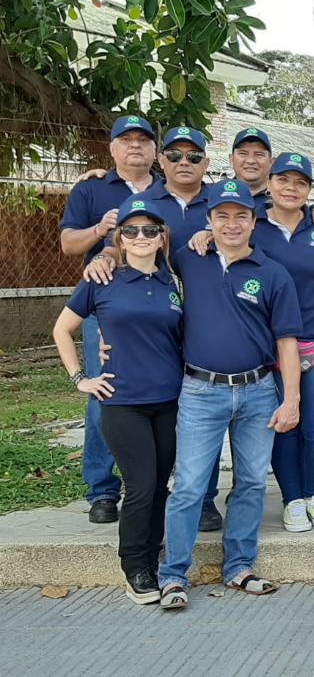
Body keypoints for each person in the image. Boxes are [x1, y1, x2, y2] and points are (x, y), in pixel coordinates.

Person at [155, 179, 302, 610]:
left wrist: (291, 400)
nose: (232, 224)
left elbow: (287, 343)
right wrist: (105, 256)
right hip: (201, 391)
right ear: (209, 220)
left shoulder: (272, 273)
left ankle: (239, 566)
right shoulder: (188, 258)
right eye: (222, 216)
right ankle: (173, 575)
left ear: (254, 222)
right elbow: (137, 255)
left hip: (258, 392)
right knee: (189, 486)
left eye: (241, 216)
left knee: (252, 481)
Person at [52, 197, 181, 604]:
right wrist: (80, 379)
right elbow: (62, 329)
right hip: (123, 401)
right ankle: (134, 566)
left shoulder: (175, 283)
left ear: (161, 238)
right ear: (120, 239)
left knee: (159, 485)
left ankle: (152, 554)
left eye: (149, 230)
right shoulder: (101, 279)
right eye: (131, 230)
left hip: (169, 400)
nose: (141, 236)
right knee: (140, 485)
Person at [244, 154, 314, 533]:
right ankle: (292, 500)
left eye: (300, 182)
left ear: (310, 190)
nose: (291, 188)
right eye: (283, 180)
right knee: (283, 424)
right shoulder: (251, 225)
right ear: (269, 183)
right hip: (269, 347)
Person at [59, 114, 157, 524]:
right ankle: (101, 489)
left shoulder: (166, 189)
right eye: (126, 139)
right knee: (104, 393)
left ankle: (155, 483)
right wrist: (101, 229)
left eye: (143, 140)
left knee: (165, 395)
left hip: (162, 305)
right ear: (113, 148)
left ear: (154, 150)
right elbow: (68, 244)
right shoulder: (92, 188)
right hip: (107, 308)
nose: (135, 145)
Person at [130, 127, 224, 532]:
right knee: (154, 410)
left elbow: (262, 217)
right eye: (175, 155)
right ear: (161, 160)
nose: (184, 162)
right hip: (158, 320)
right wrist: (104, 257)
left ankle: (204, 499)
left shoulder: (220, 200)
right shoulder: (144, 202)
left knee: (206, 408)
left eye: (194, 156)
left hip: (207, 320)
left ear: (206, 162)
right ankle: (145, 493)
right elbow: (121, 244)